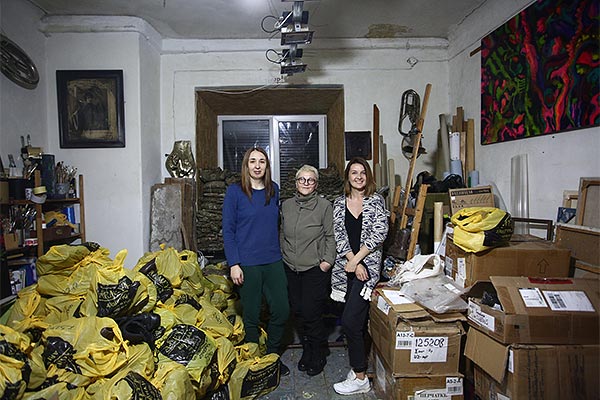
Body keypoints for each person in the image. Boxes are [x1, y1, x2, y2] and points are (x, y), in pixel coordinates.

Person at [222, 147, 291, 376]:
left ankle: (271, 357)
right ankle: (255, 362)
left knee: (281, 310)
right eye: (253, 161)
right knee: (250, 315)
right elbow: (228, 231)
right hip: (246, 264)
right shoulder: (235, 192)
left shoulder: (274, 190)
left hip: (272, 260)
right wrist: (234, 263)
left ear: (267, 166)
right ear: (246, 165)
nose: (257, 165)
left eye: (262, 161)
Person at [330, 157, 389, 395]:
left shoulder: (376, 201)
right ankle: (357, 369)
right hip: (345, 270)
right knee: (354, 321)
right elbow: (338, 235)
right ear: (348, 177)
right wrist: (351, 260)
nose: (359, 176)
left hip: (367, 269)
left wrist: (358, 260)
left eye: (363, 172)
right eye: (354, 172)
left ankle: (361, 377)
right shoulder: (338, 203)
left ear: (368, 176)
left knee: (351, 323)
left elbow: (380, 232)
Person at [280, 165, 336, 376]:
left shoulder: (324, 206)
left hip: (314, 268)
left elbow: (330, 236)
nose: (305, 183)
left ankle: (318, 352)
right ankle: (307, 350)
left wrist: (326, 262)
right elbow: (281, 233)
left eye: (310, 180)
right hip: (290, 268)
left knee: (312, 313)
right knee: (299, 312)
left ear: (316, 184)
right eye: (301, 179)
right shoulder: (286, 205)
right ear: (296, 183)